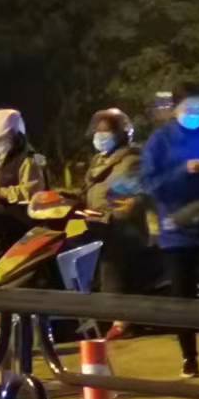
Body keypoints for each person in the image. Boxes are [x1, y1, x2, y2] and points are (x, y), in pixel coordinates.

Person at [139, 84, 199, 378]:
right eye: (190, 109)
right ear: (175, 109)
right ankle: (189, 356)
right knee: (182, 297)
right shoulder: (160, 141)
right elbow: (149, 184)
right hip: (177, 230)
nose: (196, 114)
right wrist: (183, 170)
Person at [81, 109, 151, 301]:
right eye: (98, 131)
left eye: (106, 131)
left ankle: (117, 314)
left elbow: (138, 197)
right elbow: (88, 191)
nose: (100, 136)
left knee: (111, 274)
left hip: (121, 232)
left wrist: (119, 210)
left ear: (120, 134)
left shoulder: (132, 160)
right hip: (97, 227)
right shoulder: (99, 160)